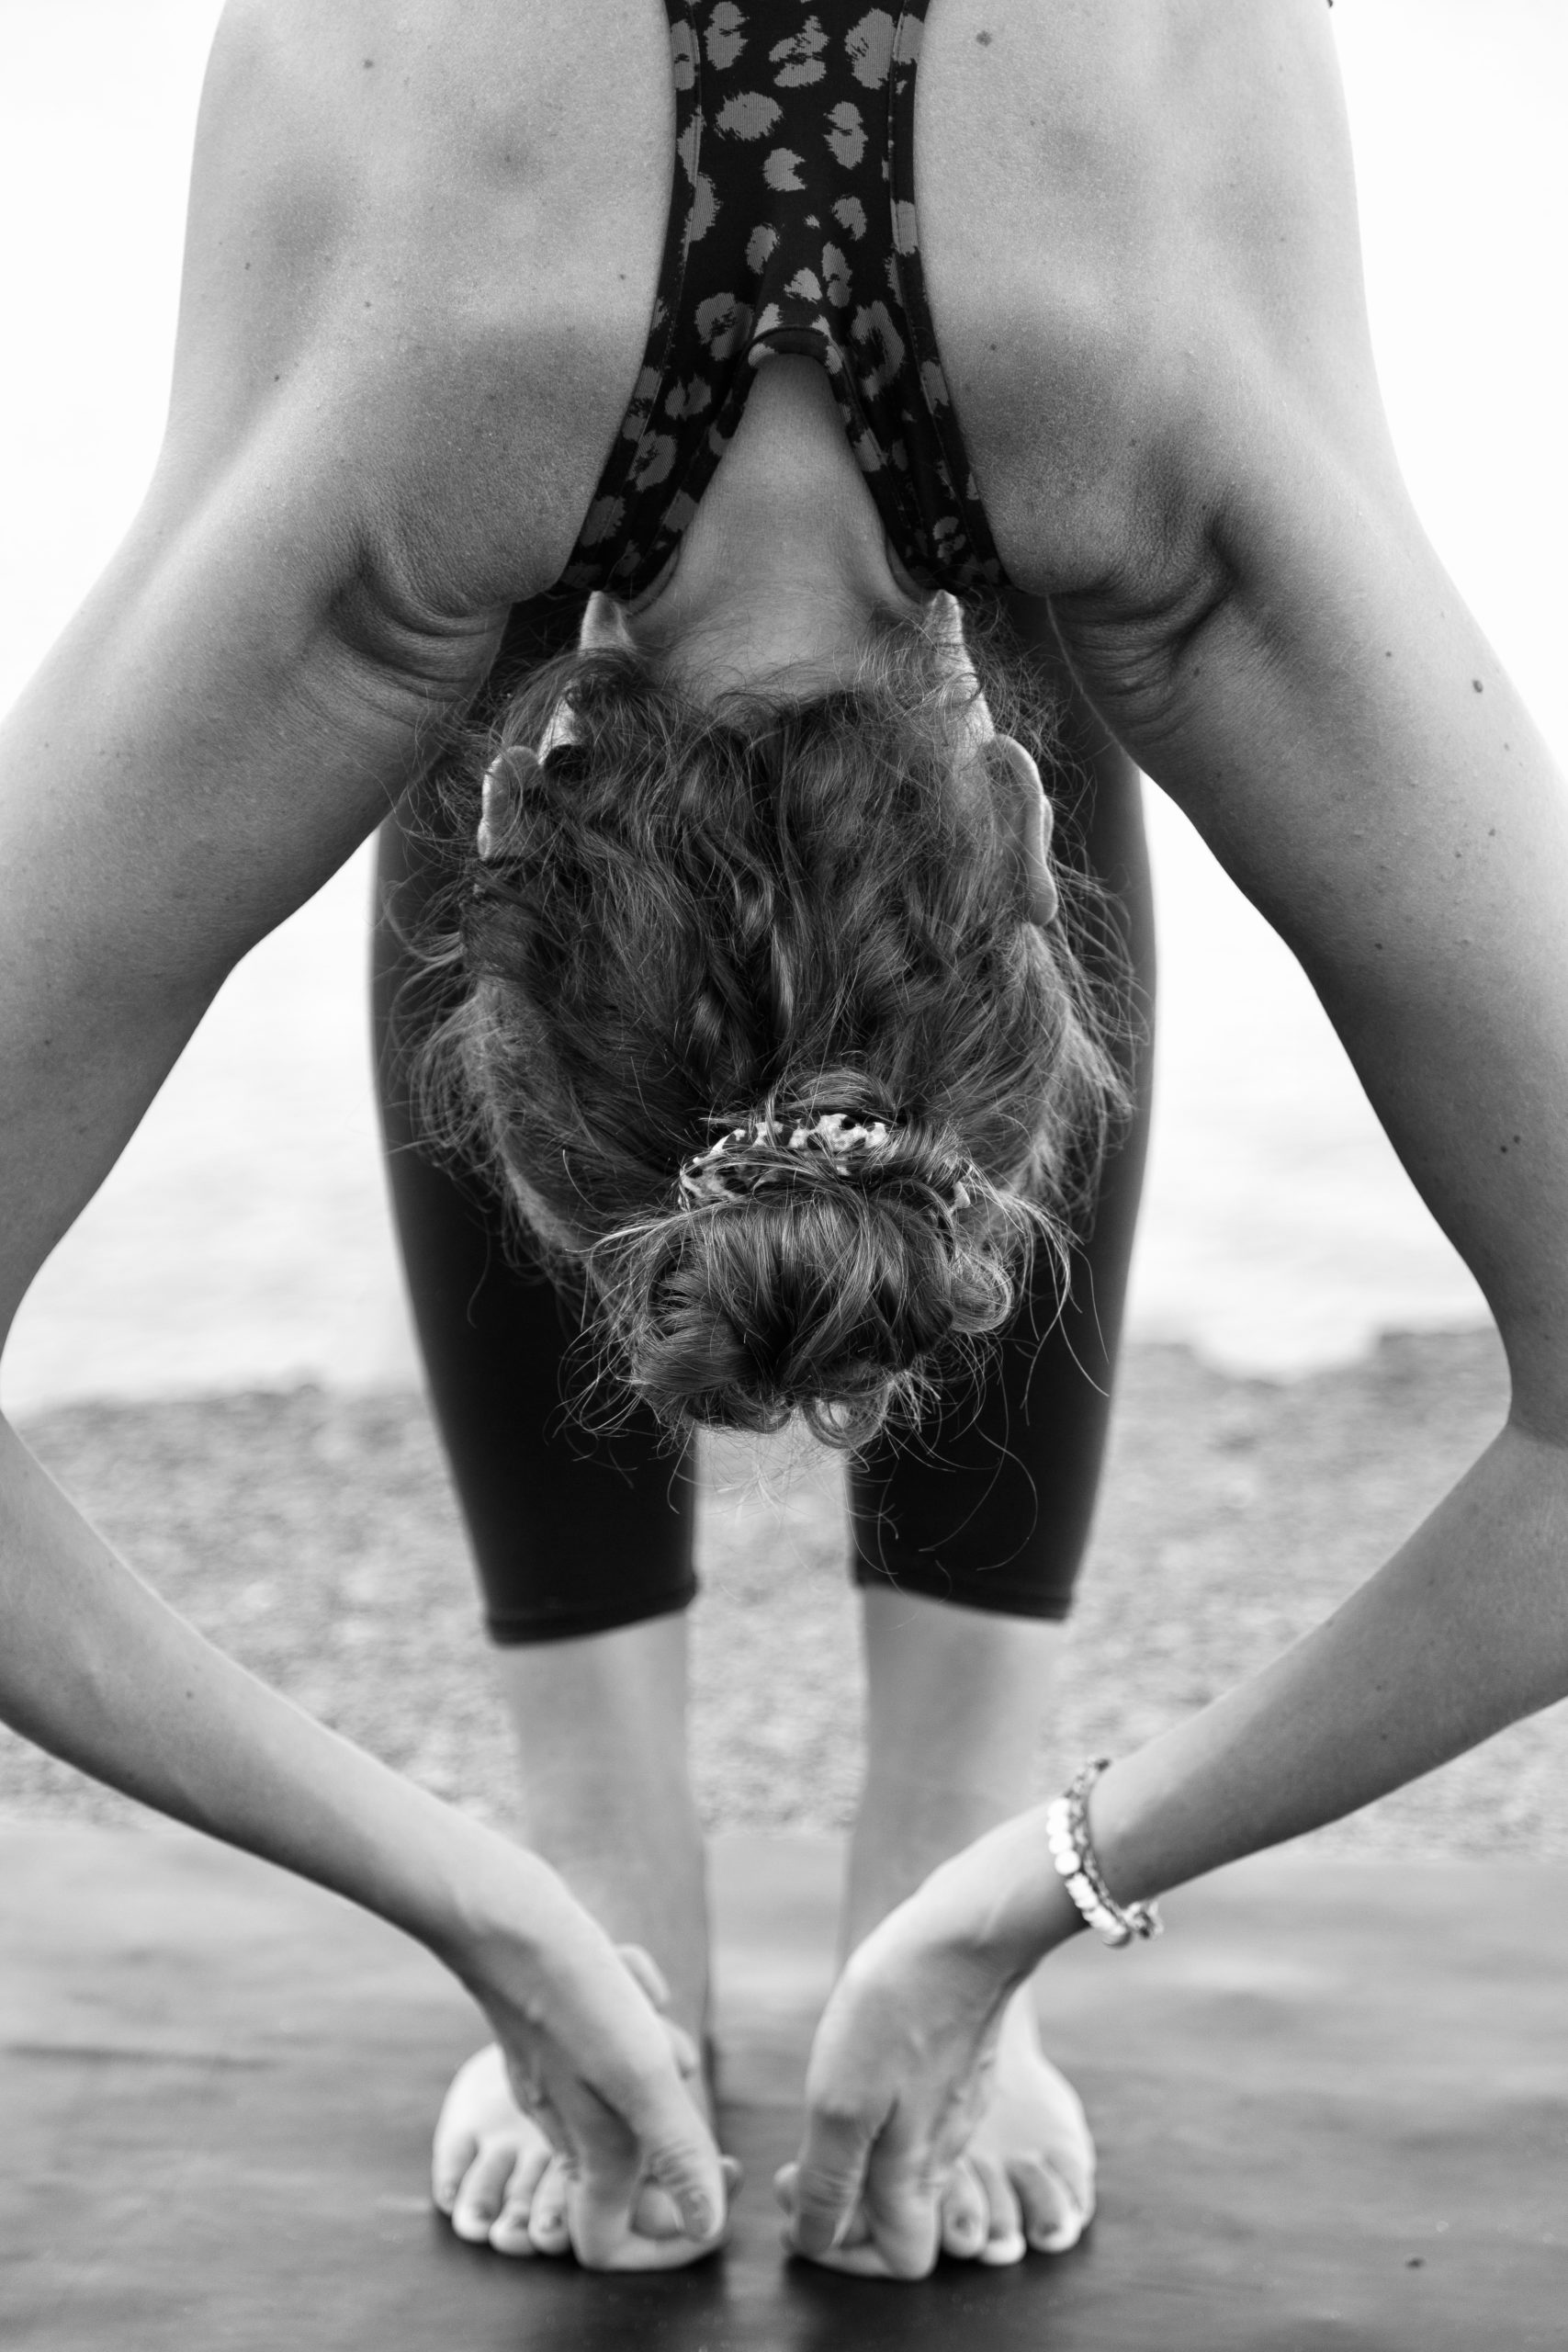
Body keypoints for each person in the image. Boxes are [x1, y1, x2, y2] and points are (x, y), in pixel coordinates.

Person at [2, 0, 1566, 2287]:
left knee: (498, 556)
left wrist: (986, 1880)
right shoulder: (1140, 420)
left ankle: (882, 1837)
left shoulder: (390, 483)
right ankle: (625, 1868)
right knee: (1027, 522)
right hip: (894, 255)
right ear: (1015, 814)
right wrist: (1021, 1877)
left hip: (556, 297)